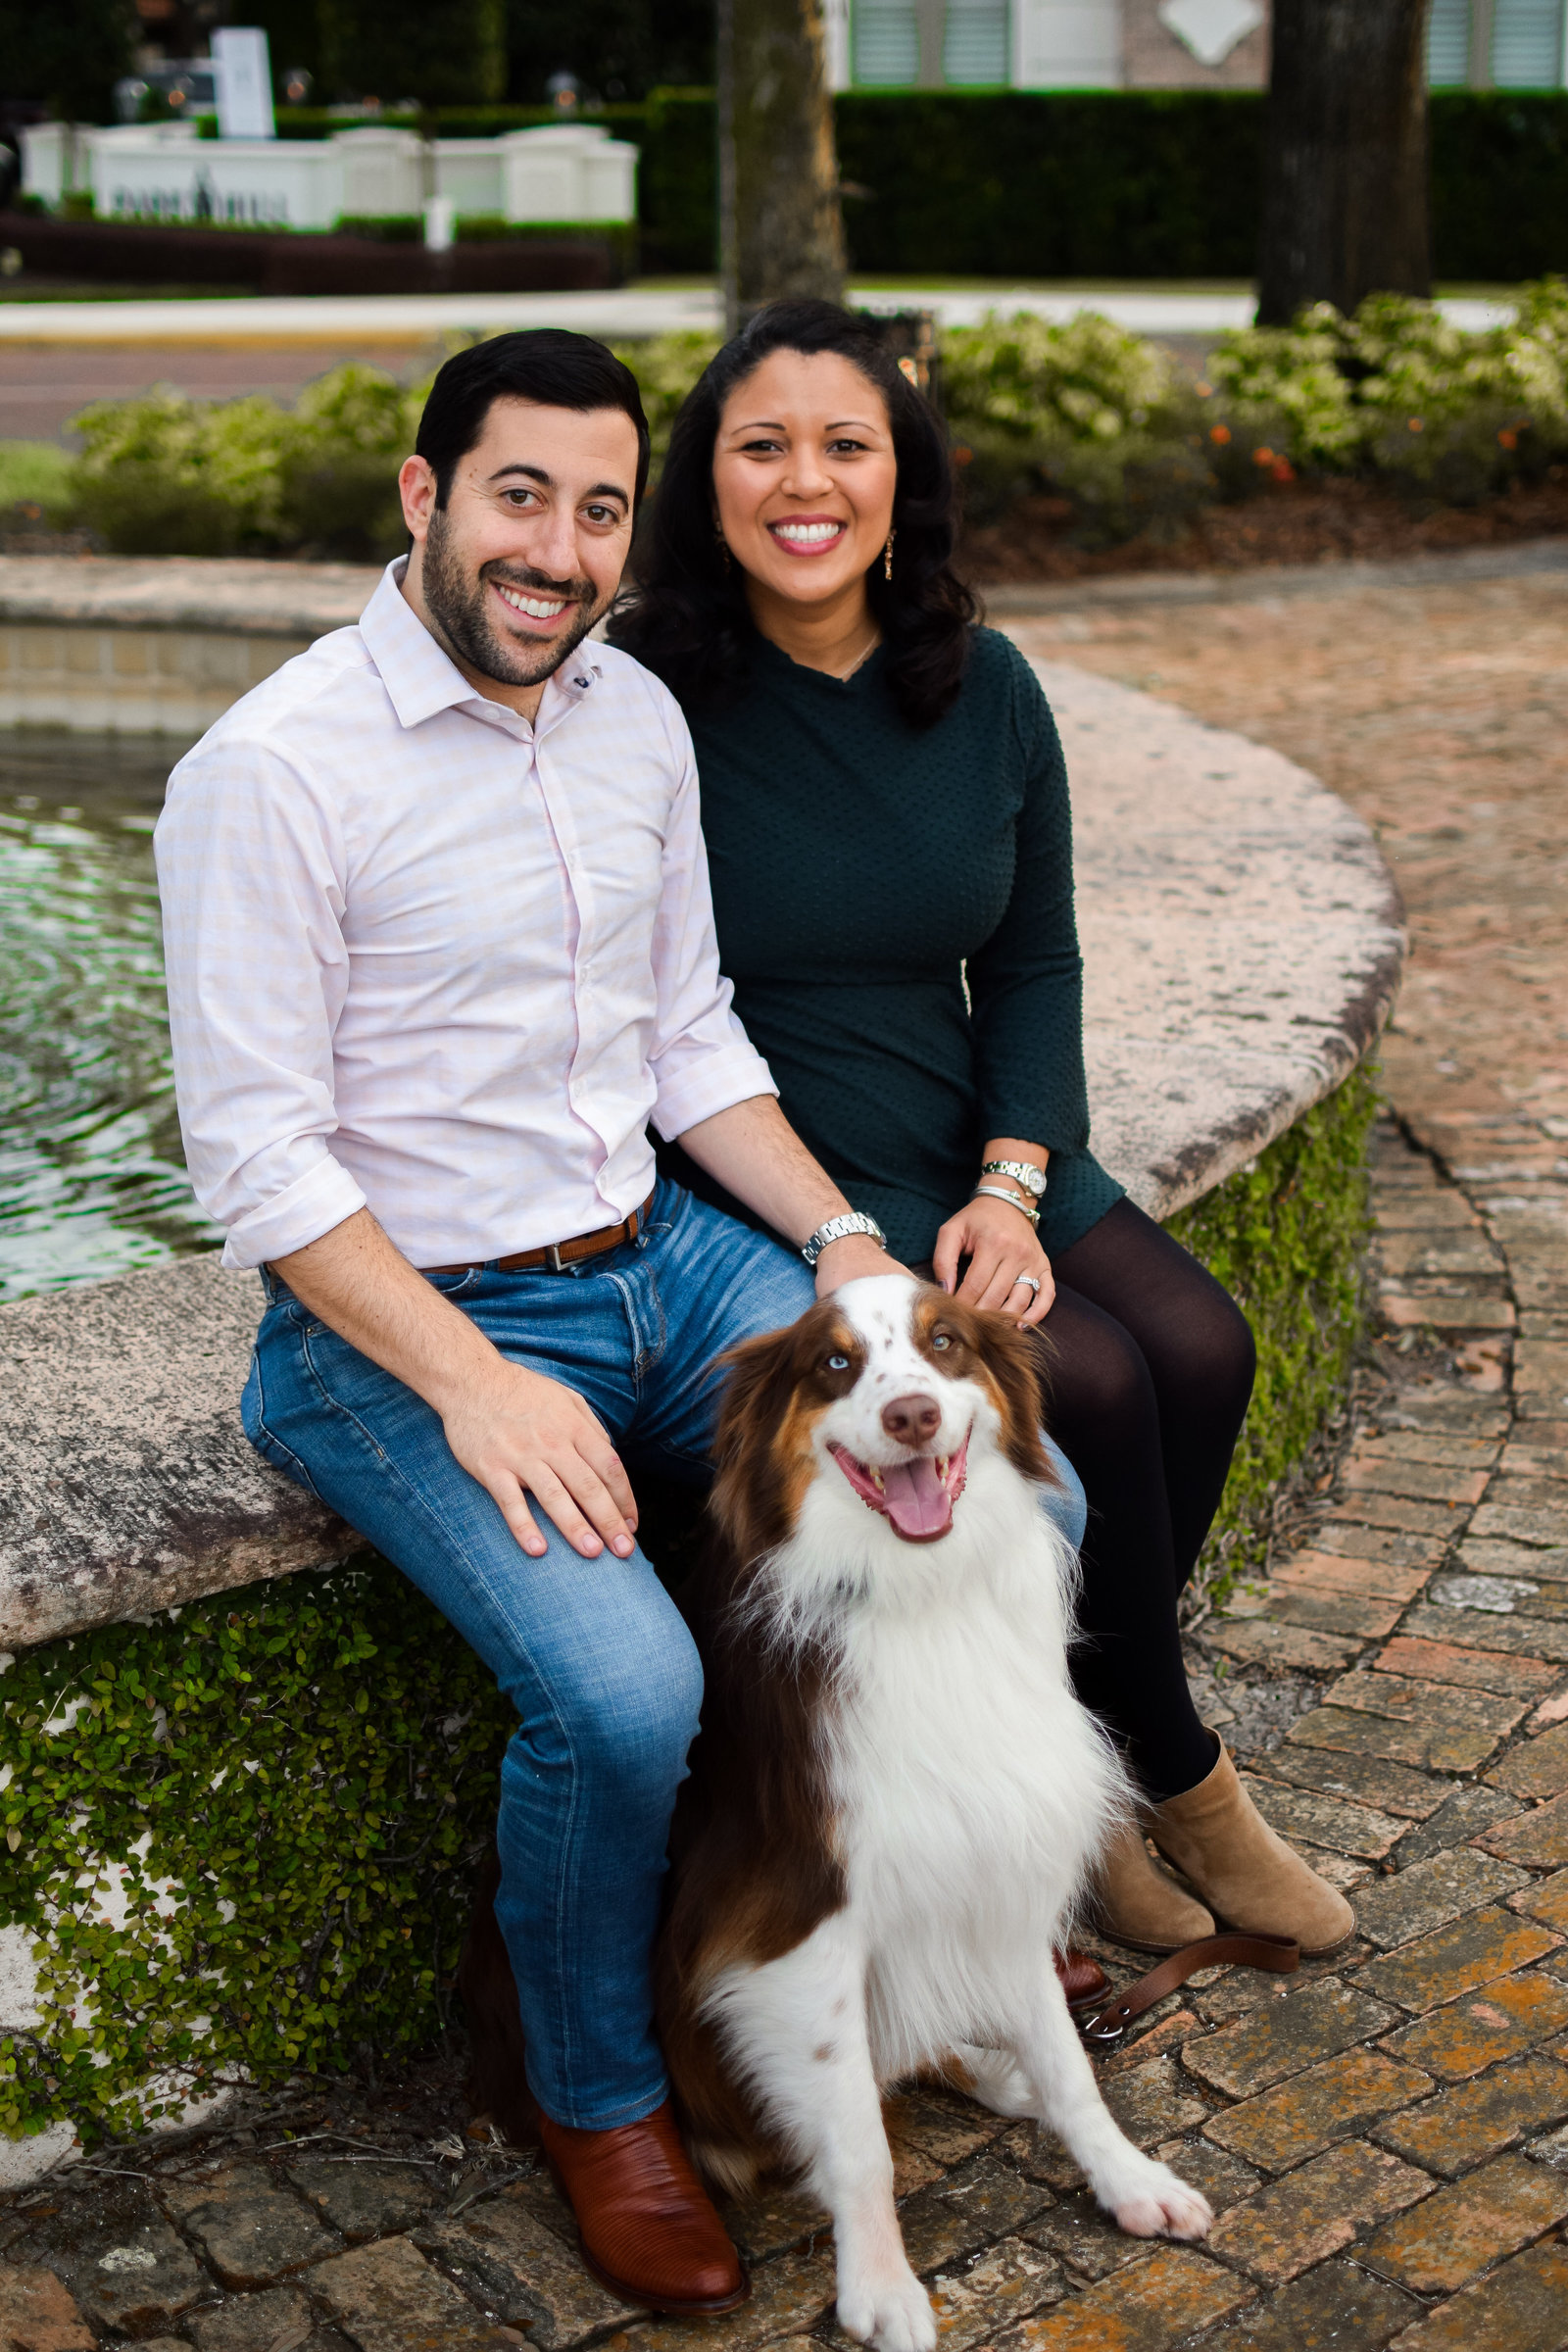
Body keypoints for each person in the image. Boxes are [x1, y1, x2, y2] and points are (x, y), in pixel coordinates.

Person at [155, 328, 945, 2316]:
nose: (562, 550)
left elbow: (689, 1038)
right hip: (397, 1324)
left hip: (663, 1261)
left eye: (601, 509)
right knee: (621, 1700)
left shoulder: (629, 720)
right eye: (521, 496)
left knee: (973, 1504)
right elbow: (259, 1168)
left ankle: (898, 1939)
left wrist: (846, 1242)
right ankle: (593, 2097)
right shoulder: (269, 768)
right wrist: (477, 1379)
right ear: (423, 496)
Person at [613, 299, 1354, 1962]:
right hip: (776, 1152)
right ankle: (1170, 1784)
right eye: (762, 445)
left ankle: (1071, 1762)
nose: (806, 481)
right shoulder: (650, 691)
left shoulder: (987, 681)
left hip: (968, 1129)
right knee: (1076, 1380)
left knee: (1198, 1344)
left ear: (902, 476)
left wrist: (1016, 1184)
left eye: (846, 444)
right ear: (707, 481)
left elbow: (1034, 960)